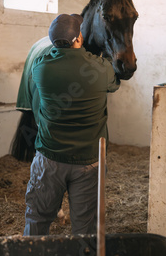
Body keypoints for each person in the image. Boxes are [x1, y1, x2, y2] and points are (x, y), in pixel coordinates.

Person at [23, 14, 120, 235]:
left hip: (49, 159)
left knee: (37, 220)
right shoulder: (101, 68)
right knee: (85, 231)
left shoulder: (40, 67)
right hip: (88, 162)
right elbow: (114, 83)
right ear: (78, 38)